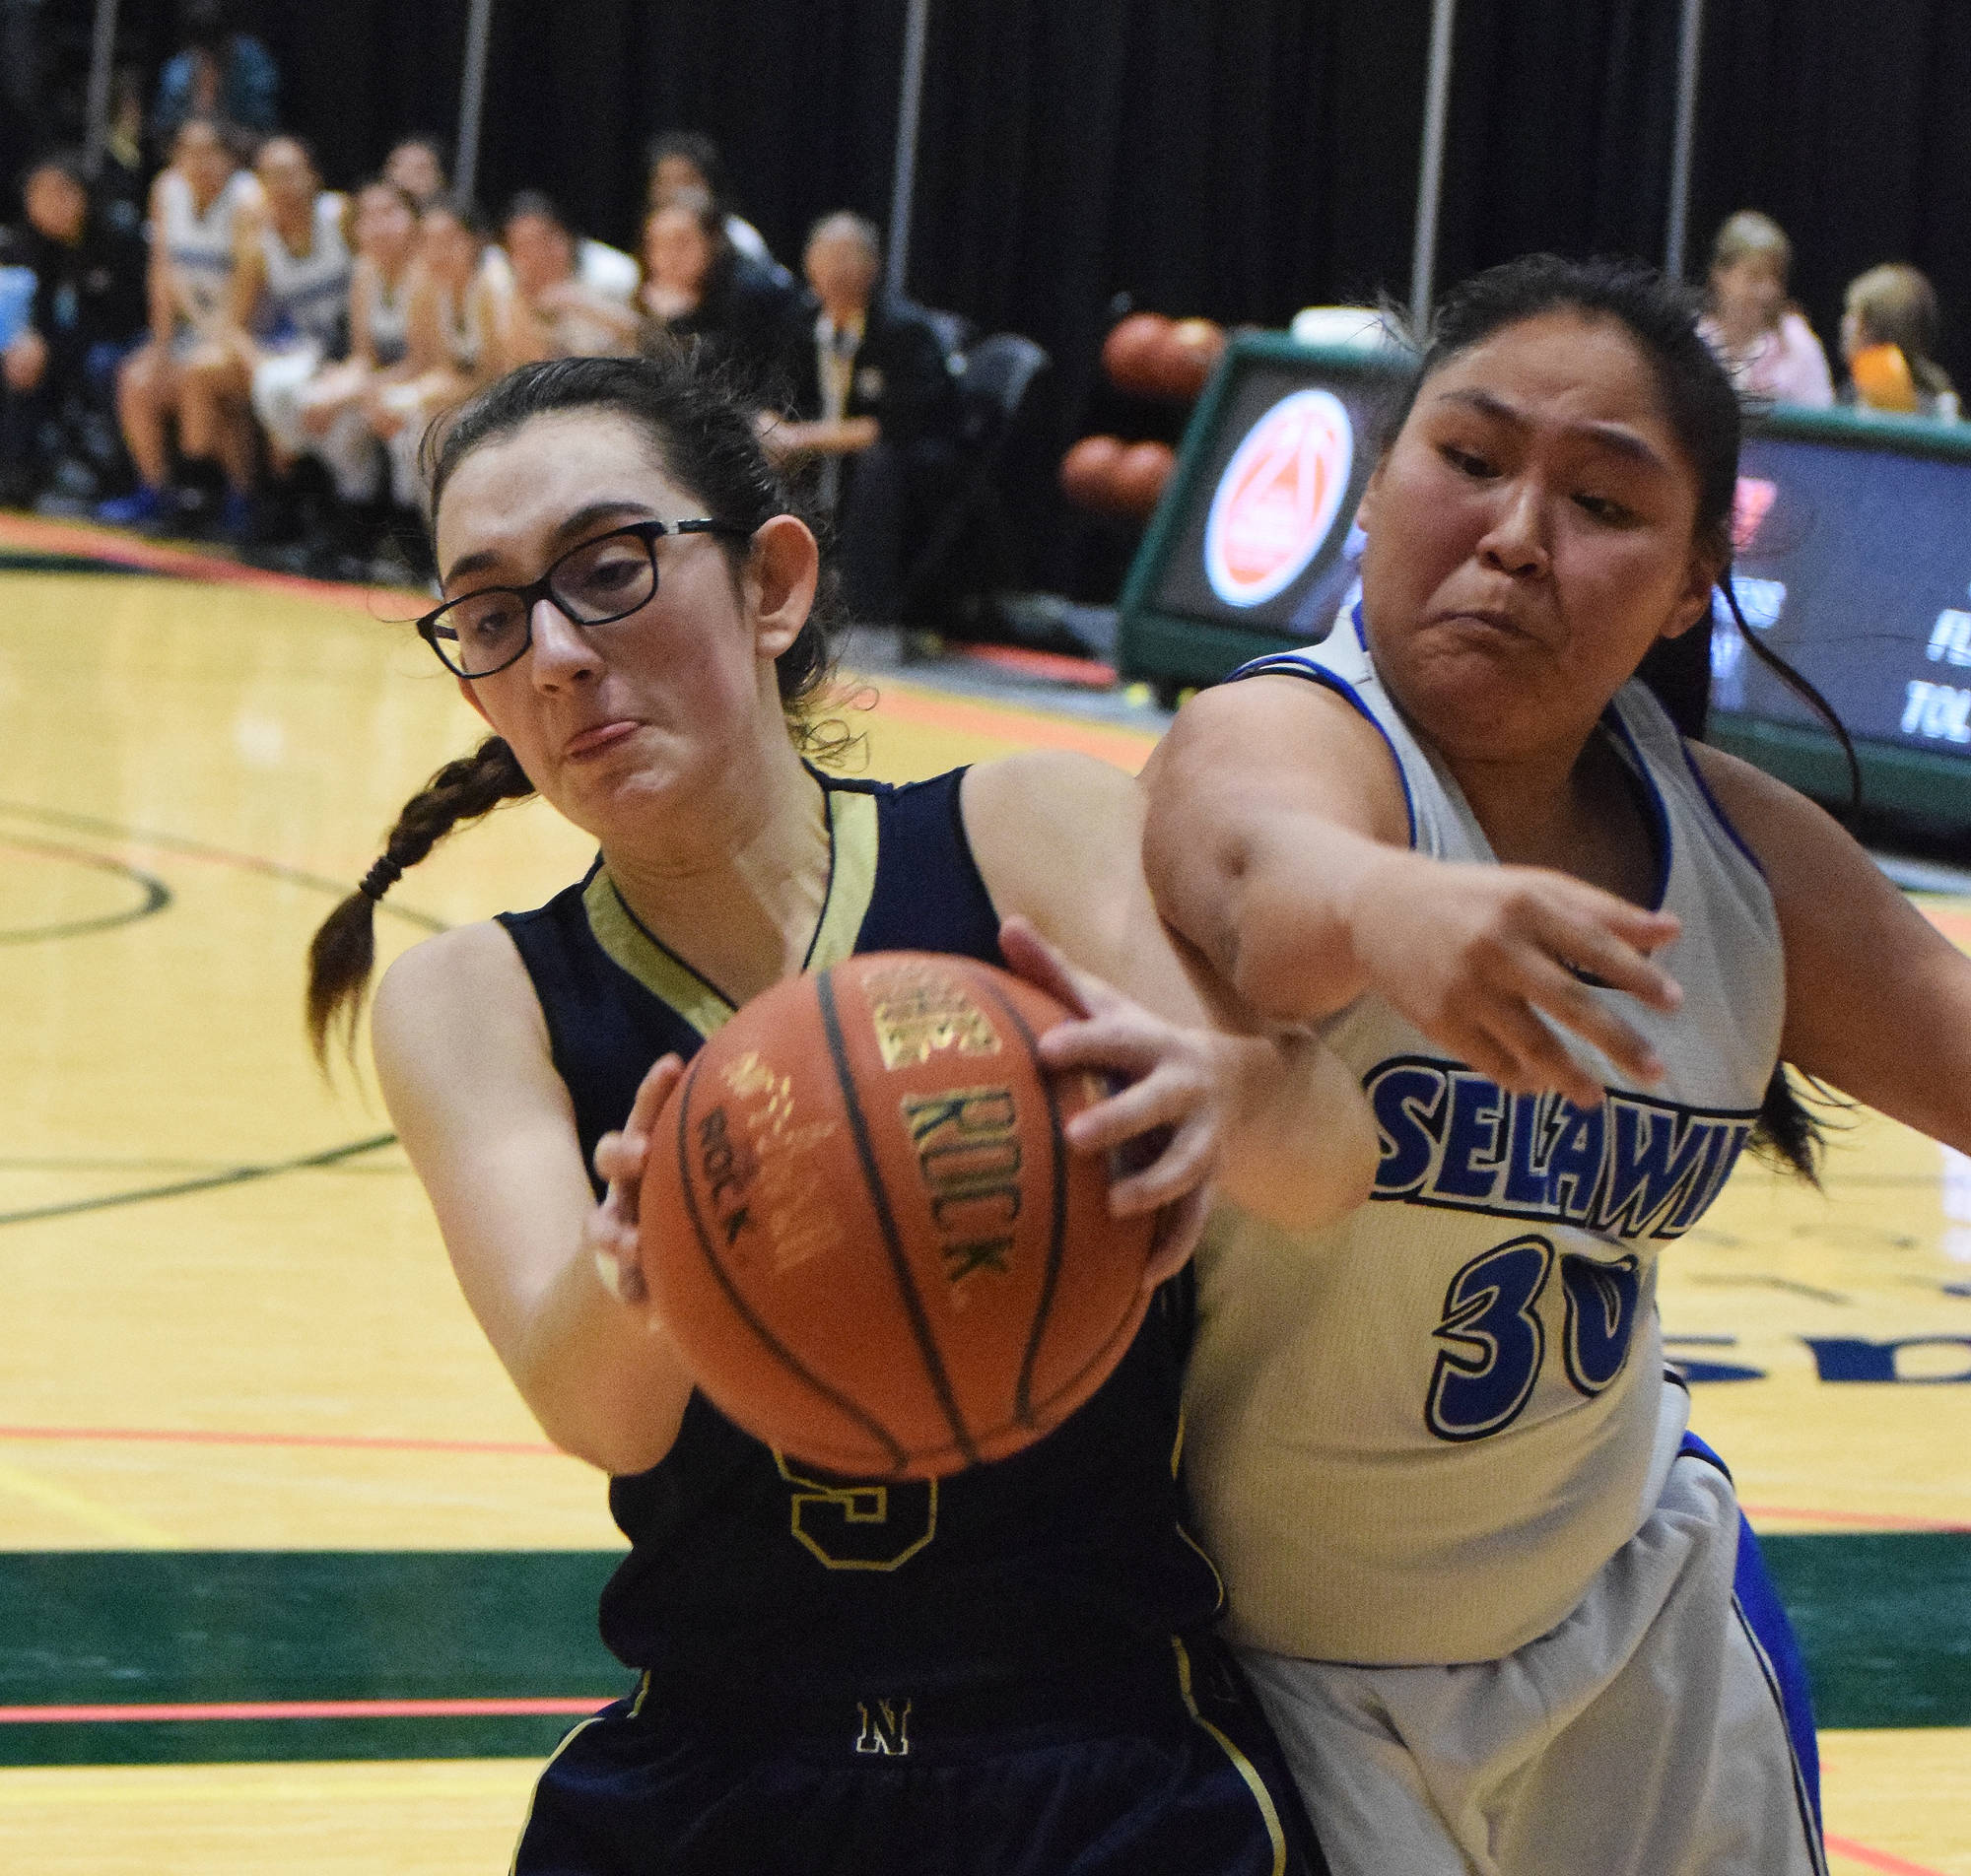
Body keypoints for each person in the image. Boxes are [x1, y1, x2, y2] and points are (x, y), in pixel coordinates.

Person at [304, 350, 1376, 1873]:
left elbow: (1333, 1163)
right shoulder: (474, 997)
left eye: (608, 571)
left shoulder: (1025, 835)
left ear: (772, 584)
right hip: (721, 1766)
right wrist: (648, 1268)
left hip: (1097, 1755)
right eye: (488, 615)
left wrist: (1224, 1091)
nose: (552, 653)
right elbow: (594, 1409)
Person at [1135, 254, 1926, 1875]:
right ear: (1372, 489)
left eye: (1604, 503)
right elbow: (1257, 875)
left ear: (1698, 577)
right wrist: (1393, 904)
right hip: (1273, 1678)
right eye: (1471, 459)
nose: (1514, 533)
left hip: (1636, 1620)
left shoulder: (1738, 852)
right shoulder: (1287, 730)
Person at [766, 211, 963, 623]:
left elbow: (897, 424)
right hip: (818, 452)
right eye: (825, 260)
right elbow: (772, 397)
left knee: (878, 463)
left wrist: (803, 438)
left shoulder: (905, 331)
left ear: (871, 267)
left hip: (904, 464)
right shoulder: (800, 325)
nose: (835, 273)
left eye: (846, 260)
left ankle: (863, 605)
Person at [98, 114, 263, 536]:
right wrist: (160, 342)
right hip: (193, 331)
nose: (199, 161)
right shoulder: (166, 190)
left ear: (229, 158)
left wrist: (221, 338)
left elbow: (251, 283)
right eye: (188, 152)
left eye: (209, 152)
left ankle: (242, 498)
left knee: (204, 381)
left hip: (246, 331)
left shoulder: (247, 199)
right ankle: (155, 493)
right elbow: (160, 274)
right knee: (137, 379)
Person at [0, 152, 147, 506]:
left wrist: (50, 343)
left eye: (60, 193)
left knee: (102, 365)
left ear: (81, 194)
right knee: (20, 360)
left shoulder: (118, 235)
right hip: (70, 342)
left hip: (125, 341)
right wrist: (33, 339)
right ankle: (18, 471)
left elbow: (124, 318)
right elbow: (41, 311)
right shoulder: (35, 244)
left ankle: (124, 477)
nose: (49, 206)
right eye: (38, 198)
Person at [562, 193, 801, 399]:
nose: (668, 257)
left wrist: (670, 320)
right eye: (656, 245)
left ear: (713, 241)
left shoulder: (752, 291)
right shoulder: (660, 292)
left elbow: (719, 374)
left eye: (681, 242)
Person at [232, 137, 360, 518]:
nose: (281, 186)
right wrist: (257, 365)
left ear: (313, 178)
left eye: (290, 174)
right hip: (316, 351)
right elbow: (234, 325)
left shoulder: (340, 217)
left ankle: (351, 513)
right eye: (270, 177)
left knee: (324, 410)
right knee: (275, 389)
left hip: (360, 349)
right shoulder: (260, 245)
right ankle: (302, 507)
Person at [376, 193, 515, 511]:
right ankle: (423, 534)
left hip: (510, 394)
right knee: (413, 424)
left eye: (449, 240)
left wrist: (418, 396)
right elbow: (441, 365)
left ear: (474, 241)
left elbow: (499, 373)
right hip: (472, 392)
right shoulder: (429, 287)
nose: (437, 252)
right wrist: (401, 393)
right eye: (427, 241)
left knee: (431, 428)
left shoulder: (493, 284)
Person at [1697, 210, 1832, 409]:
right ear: (1720, 275)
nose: (1767, 292)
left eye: (1776, 278)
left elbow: (1822, 424)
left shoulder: (1798, 344)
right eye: (1755, 277)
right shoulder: (1694, 339)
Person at [500, 191, 640, 362]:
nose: (538, 255)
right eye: (523, 247)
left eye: (545, 240)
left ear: (567, 236)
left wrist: (579, 302)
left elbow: (642, 337)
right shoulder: (506, 282)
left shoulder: (614, 270)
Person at [646, 128, 787, 284]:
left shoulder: (739, 238)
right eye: (664, 181)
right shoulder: (648, 231)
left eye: (686, 180)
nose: (675, 190)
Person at [1840, 263, 1959, 421]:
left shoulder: (1939, 409)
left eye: (1853, 314)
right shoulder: (1851, 394)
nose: (1844, 323)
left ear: (1869, 329)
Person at [151, 0, 280, 145]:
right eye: (202, 53)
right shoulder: (177, 71)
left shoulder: (254, 65)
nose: (209, 61)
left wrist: (221, 134)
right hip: (189, 155)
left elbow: (264, 133)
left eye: (216, 51)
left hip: (242, 156)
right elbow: (163, 134)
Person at [383, 135, 448, 211]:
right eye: (400, 165)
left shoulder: (445, 217)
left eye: (421, 169)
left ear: (439, 177)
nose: (409, 175)